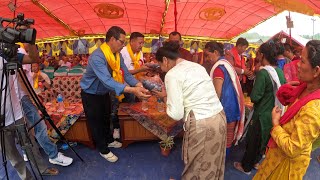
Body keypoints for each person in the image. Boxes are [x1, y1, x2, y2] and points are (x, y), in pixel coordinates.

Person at [152, 41, 226, 180]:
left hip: (202, 123)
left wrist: (166, 100)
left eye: (161, 65)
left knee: (197, 165)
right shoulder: (197, 66)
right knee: (213, 159)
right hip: (219, 116)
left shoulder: (172, 74)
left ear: (165, 60)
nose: (162, 70)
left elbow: (176, 113)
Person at [80, 26, 150, 162]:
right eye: (122, 42)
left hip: (104, 93)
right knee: (96, 122)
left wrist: (138, 85)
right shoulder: (97, 57)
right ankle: (103, 149)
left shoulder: (116, 55)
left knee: (106, 118)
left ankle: (109, 140)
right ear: (112, 39)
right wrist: (131, 90)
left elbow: (126, 73)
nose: (123, 45)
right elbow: (107, 80)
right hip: (91, 94)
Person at [253, 40, 320, 180]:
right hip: (276, 155)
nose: (297, 65)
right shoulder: (304, 88)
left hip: (285, 167)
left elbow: (293, 148)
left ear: (316, 71)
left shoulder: (314, 110)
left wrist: (276, 124)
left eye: (302, 61)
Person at [0, 44, 58, 179]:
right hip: (2, 122)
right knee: (12, 155)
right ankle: (27, 178)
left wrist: (30, 40)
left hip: (17, 112)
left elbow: (33, 58)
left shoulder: (5, 53)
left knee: (30, 145)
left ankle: (42, 169)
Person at [234, 42, 286, 174]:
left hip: (261, 114)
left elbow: (255, 97)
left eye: (258, 53)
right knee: (264, 140)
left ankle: (246, 167)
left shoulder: (263, 73)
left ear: (262, 55)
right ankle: (257, 162)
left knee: (253, 141)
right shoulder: (279, 71)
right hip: (275, 114)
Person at [17, 45, 73, 167]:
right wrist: (31, 97)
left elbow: (34, 58)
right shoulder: (19, 50)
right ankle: (53, 155)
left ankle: (26, 151)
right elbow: (20, 78)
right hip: (23, 96)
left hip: (15, 98)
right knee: (39, 126)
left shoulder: (11, 50)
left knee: (23, 126)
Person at [204, 41, 245, 156]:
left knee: (221, 139)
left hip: (224, 109)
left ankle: (219, 162)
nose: (206, 59)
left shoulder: (219, 68)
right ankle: (223, 161)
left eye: (207, 55)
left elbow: (217, 93)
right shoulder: (227, 64)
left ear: (216, 52)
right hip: (232, 106)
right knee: (228, 138)